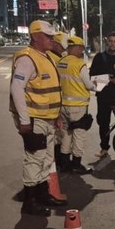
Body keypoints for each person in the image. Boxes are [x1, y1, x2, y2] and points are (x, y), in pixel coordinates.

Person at [9, 20, 66, 216]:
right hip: (34, 119)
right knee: (35, 159)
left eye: (52, 36)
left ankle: (43, 194)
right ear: (35, 36)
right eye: (48, 36)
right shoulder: (27, 58)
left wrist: (56, 115)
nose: (52, 39)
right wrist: (24, 121)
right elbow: (17, 88)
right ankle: (30, 200)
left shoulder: (45, 56)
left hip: (48, 118)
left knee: (47, 158)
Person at [58, 35, 97, 174]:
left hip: (63, 105)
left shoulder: (61, 62)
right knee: (79, 135)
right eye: (81, 48)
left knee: (66, 135)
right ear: (79, 48)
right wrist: (95, 85)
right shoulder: (80, 64)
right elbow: (88, 84)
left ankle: (64, 164)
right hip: (78, 106)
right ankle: (76, 164)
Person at [49, 31, 67, 168]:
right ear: (54, 43)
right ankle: (57, 163)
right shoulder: (51, 58)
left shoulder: (58, 57)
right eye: (61, 46)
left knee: (59, 135)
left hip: (57, 103)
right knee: (55, 136)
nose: (63, 49)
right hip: (51, 105)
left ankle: (59, 161)